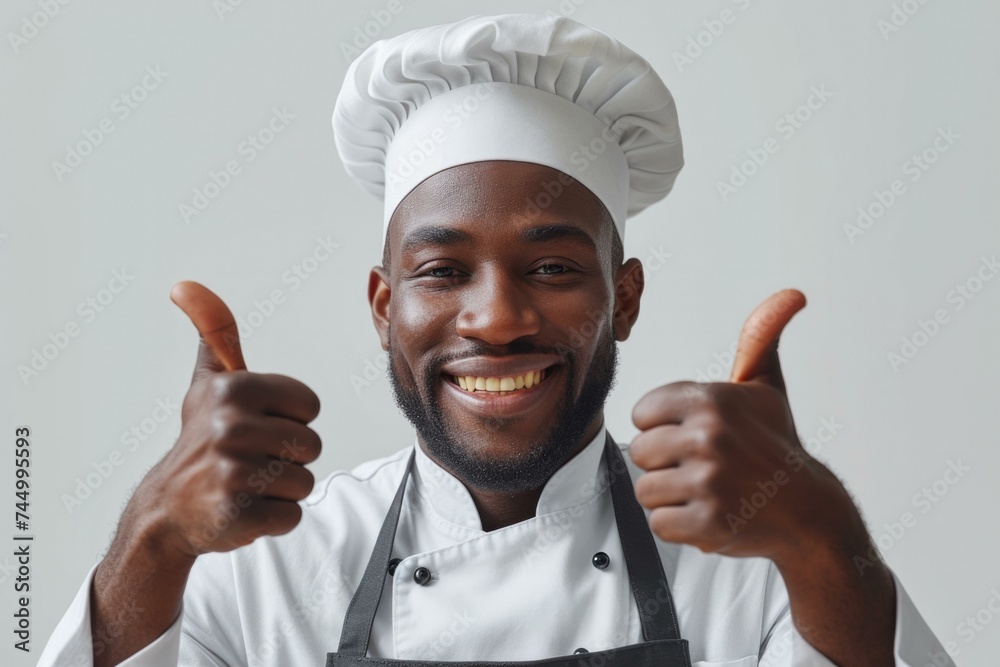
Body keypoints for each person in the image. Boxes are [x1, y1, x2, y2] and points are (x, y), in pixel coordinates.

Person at [40, 14, 953, 667]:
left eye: (553, 268)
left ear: (623, 298)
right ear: (382, 304)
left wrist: (827, 535)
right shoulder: (262, 563)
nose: (499, 317)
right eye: (443, 272)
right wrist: (153, 537)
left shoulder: (757, 556)